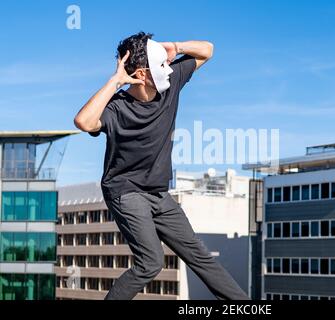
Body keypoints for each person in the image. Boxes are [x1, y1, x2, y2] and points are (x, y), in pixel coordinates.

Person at [74, 32, 250, 300]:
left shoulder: (171, 81)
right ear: (143, 74)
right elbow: (85, 122)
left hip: (157, 193)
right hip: (126, 191)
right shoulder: (117, 107)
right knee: (151, 262)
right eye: (161, 66)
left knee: (198, 254)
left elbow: (208, 50)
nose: (169, 69)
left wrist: (176, 47)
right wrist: (115, 80)